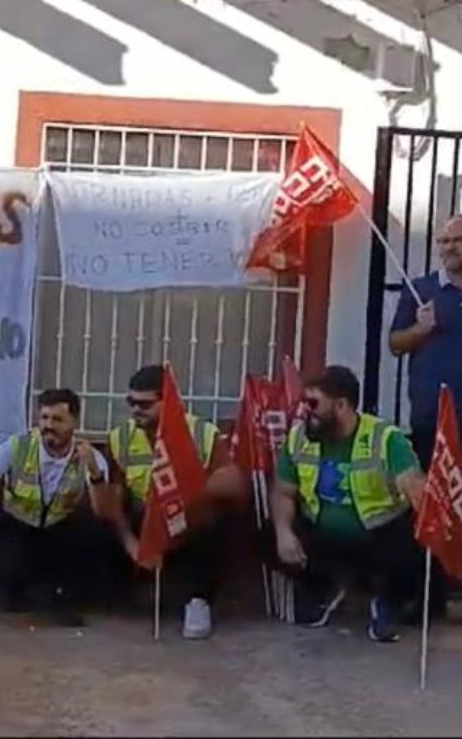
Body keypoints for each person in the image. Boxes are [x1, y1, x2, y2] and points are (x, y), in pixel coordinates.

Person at [271, 365, 427, 643]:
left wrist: (412, 486)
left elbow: (414, 486)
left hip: (376, 534)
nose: (306, 410)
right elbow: (283, 492)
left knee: (408, 548)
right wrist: (284, 533)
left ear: (342, 405)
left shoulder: (385, 438)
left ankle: (386, 601)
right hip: (322, 532)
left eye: (314, 403)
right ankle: (323, 591)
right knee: (269, 535)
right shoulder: (299, 437)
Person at [0, 389, 112, 625]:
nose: (49, 425)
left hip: (60, 530)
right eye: (44, 418)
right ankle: (25, 590)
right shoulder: (18, 446)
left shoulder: (90, 457)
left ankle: (63, 598)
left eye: (57, 420)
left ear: (74, 422)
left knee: (89, 533)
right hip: (18, 526)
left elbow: (102, 510)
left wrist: (94, 472)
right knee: (9, 588)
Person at [107, 365, 243, 640]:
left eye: (145, 404)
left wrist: (192, 492)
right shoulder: (120, 438)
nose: (136, 410)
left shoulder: (200, 432)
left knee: (217, 520)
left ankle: (198, 601)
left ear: (166, 402)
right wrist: (131, 543)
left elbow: (233, 482)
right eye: (131, 403)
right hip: (142, 518)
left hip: (187, 516)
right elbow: (111, 499)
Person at [389, 215, 462, 469]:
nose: (450, 247)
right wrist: (421, 329)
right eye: (444, 241)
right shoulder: (420, 289)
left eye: (457, 240)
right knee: (433, 495)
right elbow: (395, 344)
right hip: (432, 415)